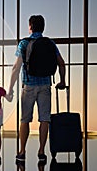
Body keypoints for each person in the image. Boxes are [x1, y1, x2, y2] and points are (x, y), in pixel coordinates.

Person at [8, 15, 66, 164]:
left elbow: (16, 67)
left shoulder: (24, 43)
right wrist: (62, 81)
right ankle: (41, 151)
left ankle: (22, 151)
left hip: (28, 85)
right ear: (43, 27)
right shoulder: (50, 43)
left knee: (25, 119)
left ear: (30, 27)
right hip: (45, 85)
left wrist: (10, 88)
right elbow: (61, 63)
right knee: (44, 119)